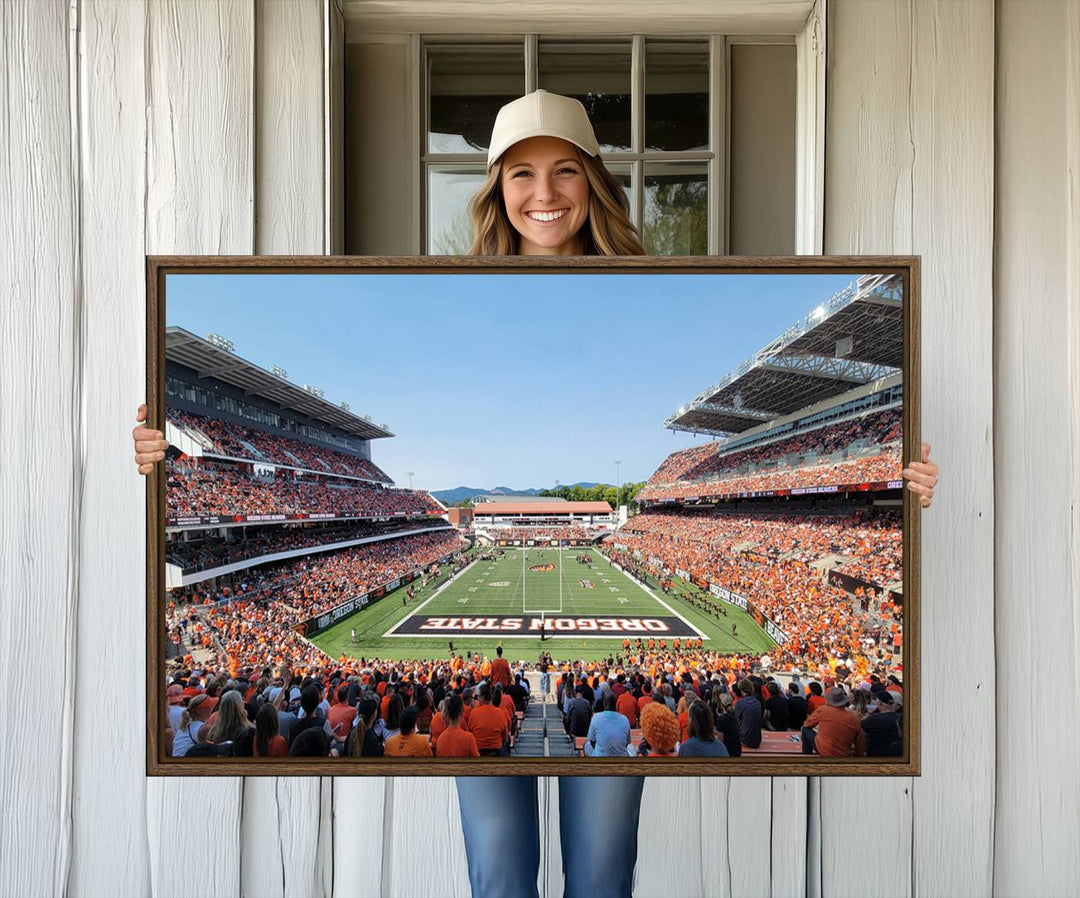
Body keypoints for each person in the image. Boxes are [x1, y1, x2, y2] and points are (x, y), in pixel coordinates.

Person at [132, 87, 939, 898]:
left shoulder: (658, 276)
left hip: (542, 727)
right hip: (523, 729)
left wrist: (905, 489)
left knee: (599, 873)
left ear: (595, 180)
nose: (544, 194)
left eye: (564, 171)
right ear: (495, 189)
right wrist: (155, 456)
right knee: (501, 874)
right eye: (520, 173)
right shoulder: (448, 277)